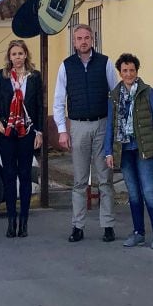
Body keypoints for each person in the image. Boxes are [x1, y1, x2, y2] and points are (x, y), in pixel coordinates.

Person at [53, 23, 119, 242]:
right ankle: (77, 226)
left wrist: (113, 128)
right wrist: (63, 130)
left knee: (105, 179)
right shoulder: (66, 66)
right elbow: (58, 101)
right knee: (80, 180)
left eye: (87, 38)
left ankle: (108, 225)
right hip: (78, 125)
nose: (83, 41)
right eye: (79, 38)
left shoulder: (105, 63)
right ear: (74, 42)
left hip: (102, 124)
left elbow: (115, 96)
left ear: (93, 40)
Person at [104, 53, 153, 250]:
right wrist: (108, 151)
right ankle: (138, 232)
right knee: (133, 193)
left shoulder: (147, 92)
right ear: (120, 73)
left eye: (132, 70)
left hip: (145, 149)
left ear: (137, 71)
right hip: (124, 150)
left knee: (149, 191)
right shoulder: (114, 96)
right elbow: (111, 125)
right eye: (125, 70)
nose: (128, 74)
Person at [0, 39, 44, 238]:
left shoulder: (34, 77)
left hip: (27, 132)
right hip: (7, 132)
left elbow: (39, 106)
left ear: (26, 55)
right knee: (9, 175)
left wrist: (39, 132)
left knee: (25, 175)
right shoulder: (2, 76)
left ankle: (24, 221)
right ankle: (11, 221)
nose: (17, 57)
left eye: (20, 53)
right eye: (14, 54)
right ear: (9, 57)